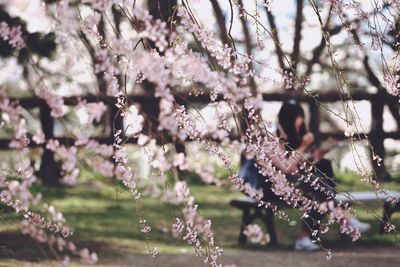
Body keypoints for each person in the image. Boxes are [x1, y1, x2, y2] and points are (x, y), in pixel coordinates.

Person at [239, 99, 370, 251]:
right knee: (317, 189)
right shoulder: (270, 139)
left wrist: (315, 157)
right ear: (290, 119)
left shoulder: (288, 139)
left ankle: (310, 235)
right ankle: (345, 220)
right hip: (263, 188)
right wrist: (304, 146)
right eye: (298, 118)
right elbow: (287, 168)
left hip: (282, 185)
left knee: (321, 178)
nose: (300, 123)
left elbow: (294, 171)